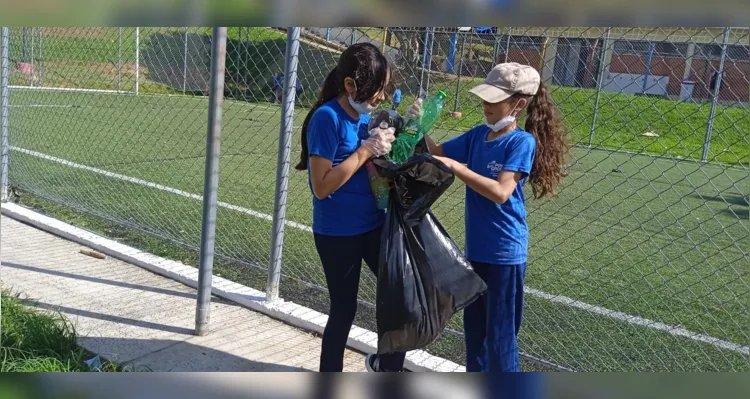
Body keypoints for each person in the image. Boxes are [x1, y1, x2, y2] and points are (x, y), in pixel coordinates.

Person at [412, 62, 568, 372]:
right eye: (485, 98)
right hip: (478, 253)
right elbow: (440, 153)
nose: (486, 106)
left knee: (501, 337)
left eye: (494, 100)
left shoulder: (521, 142)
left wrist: (460, 169)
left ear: (519, 104)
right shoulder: (477, 136)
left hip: (504, 255)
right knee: (475, 335)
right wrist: (420, 127)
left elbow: (500, 191)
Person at [295, 42, 409, 373]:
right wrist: (364, 151)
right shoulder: (327, 118)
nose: (383, 97)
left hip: (373, 225)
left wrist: (401, 141)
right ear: (350, 86)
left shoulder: (365, 119)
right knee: (344, 309)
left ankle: (387, 368)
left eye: (386, 89)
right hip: (337, 233)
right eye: (378, 89)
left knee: (401, 295)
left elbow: (375, 172)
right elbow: (321, 186)